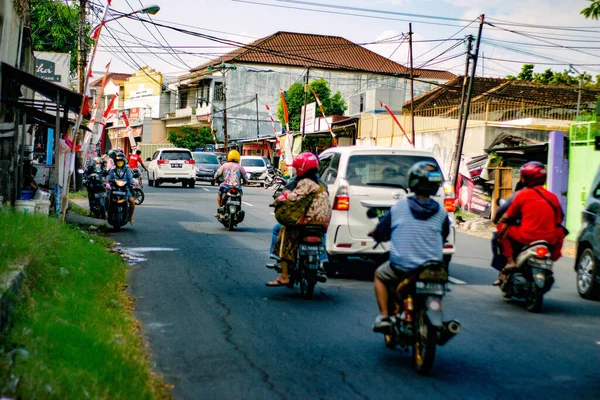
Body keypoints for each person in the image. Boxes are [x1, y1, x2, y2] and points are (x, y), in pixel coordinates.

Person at [369, 161, 451, 332]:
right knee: (438, 288)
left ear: (412, 182)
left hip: (403, 266)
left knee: (380, 276)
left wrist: (376, 234)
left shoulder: (400, 206)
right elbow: (443, 236)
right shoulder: (442, 213)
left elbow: (382, 231)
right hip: (434, 268)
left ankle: (384, 316)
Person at [266, 152, 331, 287]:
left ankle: (284, 275)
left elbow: (294, 197)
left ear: (302, 168)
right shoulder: (322, 184)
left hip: (307, 221)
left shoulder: (304, 182)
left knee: (285, 232)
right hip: (322, 222)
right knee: (322, 235)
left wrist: (286, 195)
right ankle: (323, 260)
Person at [497, 161, 565, 269]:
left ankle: (510, 261)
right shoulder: (553, 197)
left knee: (501, 226)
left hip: (526, 237)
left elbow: (507, 216)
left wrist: (501, 220)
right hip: (549, 239)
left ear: (526, 178)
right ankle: (549, 261)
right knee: (560, 232)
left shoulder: (522, 195)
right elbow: (559, 219)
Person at [490, 180, 524, 285]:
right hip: (545, 234)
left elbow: (503, 211)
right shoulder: (548, 196)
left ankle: (507, 266)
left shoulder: (519, 195)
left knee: (499, 237)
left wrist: (496, 220)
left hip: (523, 231)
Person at [214, 150, 247, 217]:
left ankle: (219, 210)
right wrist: (244, 182)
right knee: (239, 196)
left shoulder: (224, 166)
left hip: (226, 186)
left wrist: (216, 179)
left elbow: (216, 175)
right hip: (237, 187)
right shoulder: (240, 167)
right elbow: (246, 178)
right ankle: (238, 209)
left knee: (219, 195)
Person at [107, 152, 136, 225]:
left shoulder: (127, 171)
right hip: (114, 189)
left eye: (121, 161)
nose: (119, 163)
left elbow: (131, 179)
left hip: (125, 189)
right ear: (116, 162)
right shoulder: (112, 171)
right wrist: (106, 180)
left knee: (132, 202)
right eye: (118, 162)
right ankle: (107, 213)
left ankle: (131, 217)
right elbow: (108, 177)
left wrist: (133, 183)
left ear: (124, 162)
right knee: (107, 198)